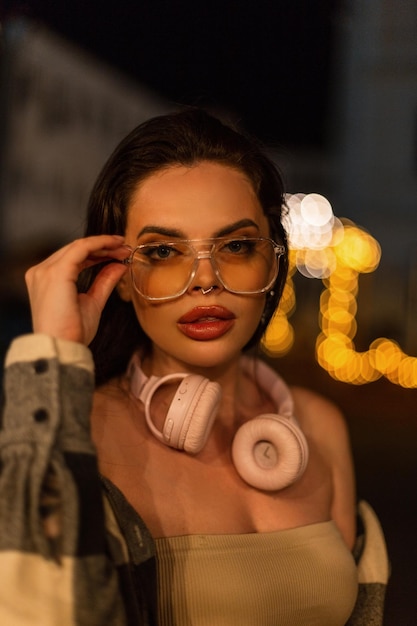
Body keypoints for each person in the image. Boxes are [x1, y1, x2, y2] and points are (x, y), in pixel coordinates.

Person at [0, 108, 388, 625]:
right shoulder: (73, 427)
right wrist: (54, 352)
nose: (205, 279)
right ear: (117, 275)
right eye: (163, 251)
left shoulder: (318, 427)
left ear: (273, 262)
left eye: (236, 245)